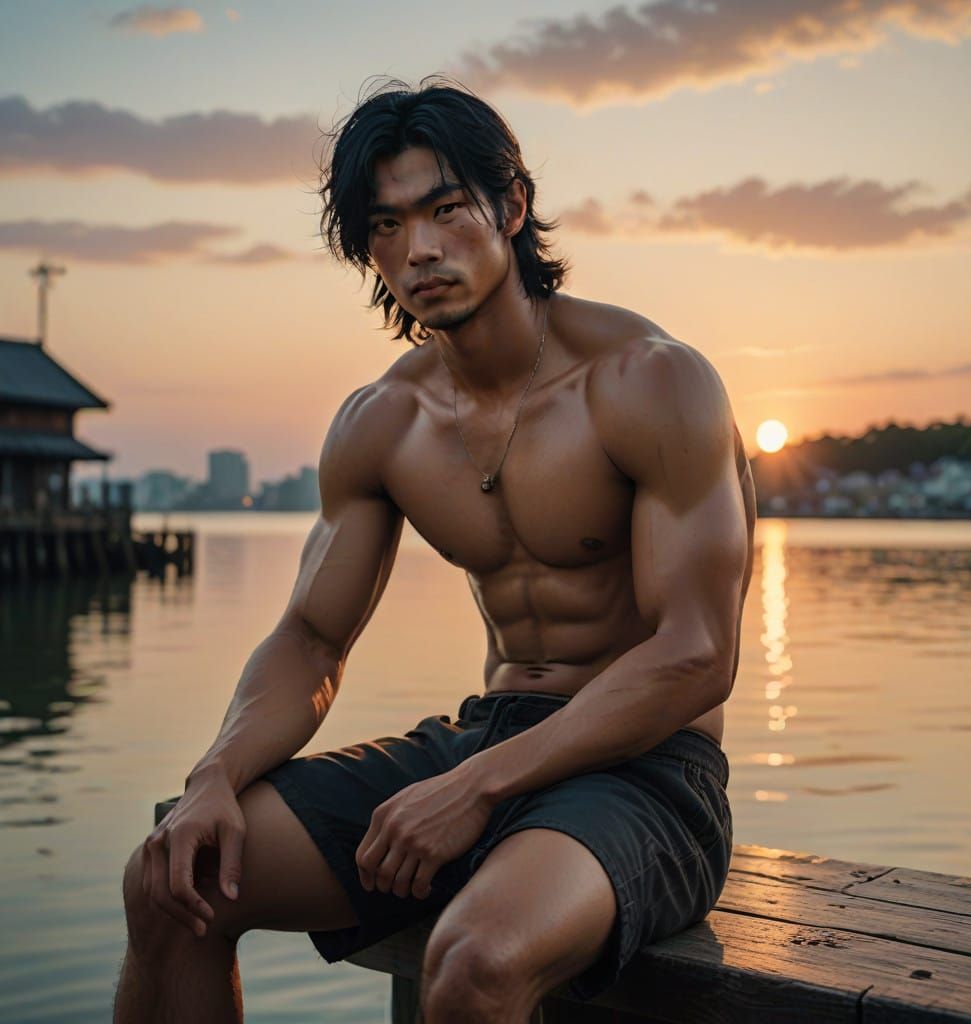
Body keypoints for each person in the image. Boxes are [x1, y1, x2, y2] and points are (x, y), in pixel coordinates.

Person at [114, 76, 757, 1024]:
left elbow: (698, 654)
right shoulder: (386, 421)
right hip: (486, 736)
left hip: (649, 775)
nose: (417, 250)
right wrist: (215, 773)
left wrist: (475, 786)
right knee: (170, 878)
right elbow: (309, 639)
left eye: (445, 208)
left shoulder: (647, 383)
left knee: (474, 963)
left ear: (511, 204)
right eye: (383, 227)